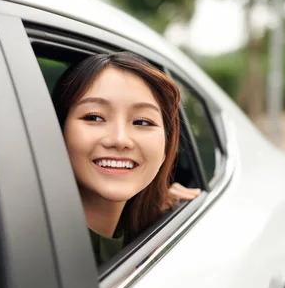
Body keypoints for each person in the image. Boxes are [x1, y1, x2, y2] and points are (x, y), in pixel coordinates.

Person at [51, 52, 200, 266]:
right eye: (94, 117)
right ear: (59, 129)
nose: (120, 140)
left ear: (166, 146)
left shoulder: (154, 229)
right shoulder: (30, 250)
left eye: (142, 122)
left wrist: (164, 210)